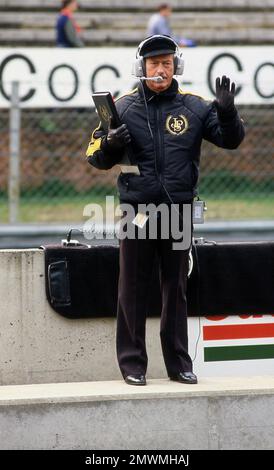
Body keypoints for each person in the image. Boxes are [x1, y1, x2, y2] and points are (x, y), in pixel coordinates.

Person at [86, 35, 245, 386]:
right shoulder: (122, 107)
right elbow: (94, 156)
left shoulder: (196, 107)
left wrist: (229, 112)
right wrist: (111, 142)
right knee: (132, 287)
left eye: (167, 63)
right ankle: (132, 365)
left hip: (177, 212)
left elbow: (231, 139)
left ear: (176, 68)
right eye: (155, 63)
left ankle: (178, 364)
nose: (161, 69)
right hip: (136, 212)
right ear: (142, 67)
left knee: (176, 288)